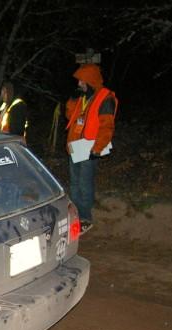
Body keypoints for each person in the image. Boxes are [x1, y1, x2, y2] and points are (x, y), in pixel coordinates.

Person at [65, 63, 118, 233]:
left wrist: (97, 148)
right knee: (74, 184)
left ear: (90, 81)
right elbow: (70, 116)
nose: (79, 84)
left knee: (84, 185)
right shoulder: (83, 97)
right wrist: (72, 100)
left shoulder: (104, 98)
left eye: (81, 81)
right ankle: (75, 217)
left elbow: (107, 126)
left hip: (89, 148)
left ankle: (86, 218)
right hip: (76, 147)